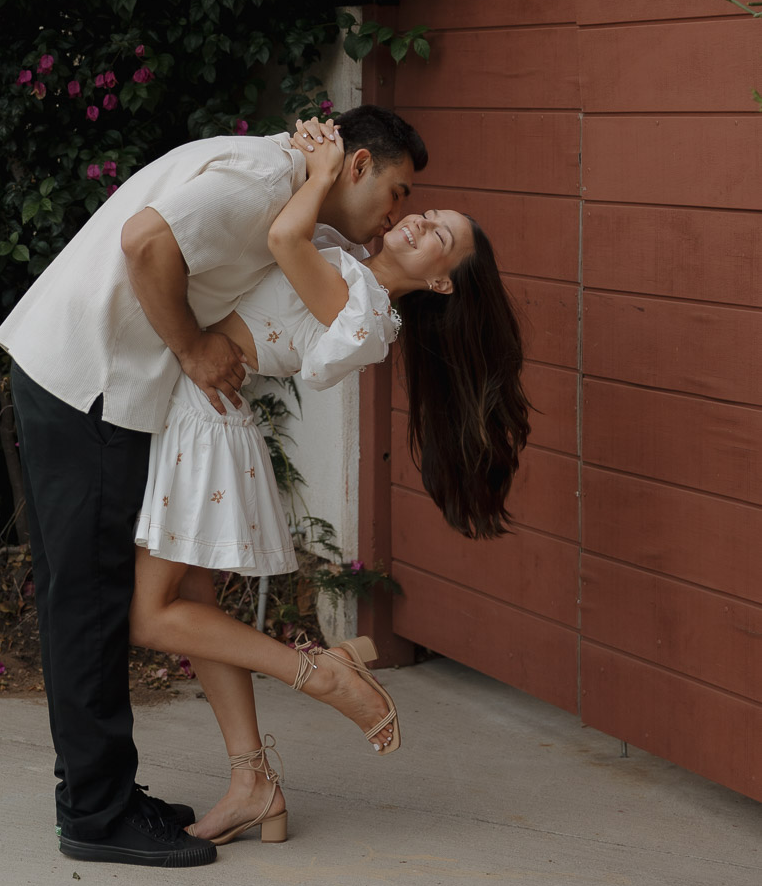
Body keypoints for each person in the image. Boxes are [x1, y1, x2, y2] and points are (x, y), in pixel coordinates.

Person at [0, 106, 426, 868]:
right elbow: (146, 240)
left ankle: (106, 796)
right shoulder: (262, 183)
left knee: (96, 598)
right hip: (92, 379)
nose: (398, 213)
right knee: (90, 603)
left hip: (109, 381)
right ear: (358, 165)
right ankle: (95, 815)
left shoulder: (288, 189)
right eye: (397, 192)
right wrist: (191, 347)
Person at [130, 116, 530, 846]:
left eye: (438, 236)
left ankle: (320, 673)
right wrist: (320, 150)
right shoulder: (349, 260)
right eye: (424, 212)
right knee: (192, 608)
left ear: (440, 280)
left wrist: (320, 171)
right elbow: (295, 218)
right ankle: (252, 783)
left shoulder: (365, 313)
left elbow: (285, 237)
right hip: (203, 412)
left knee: (149, 616)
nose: (417, 222)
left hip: (201, 421)